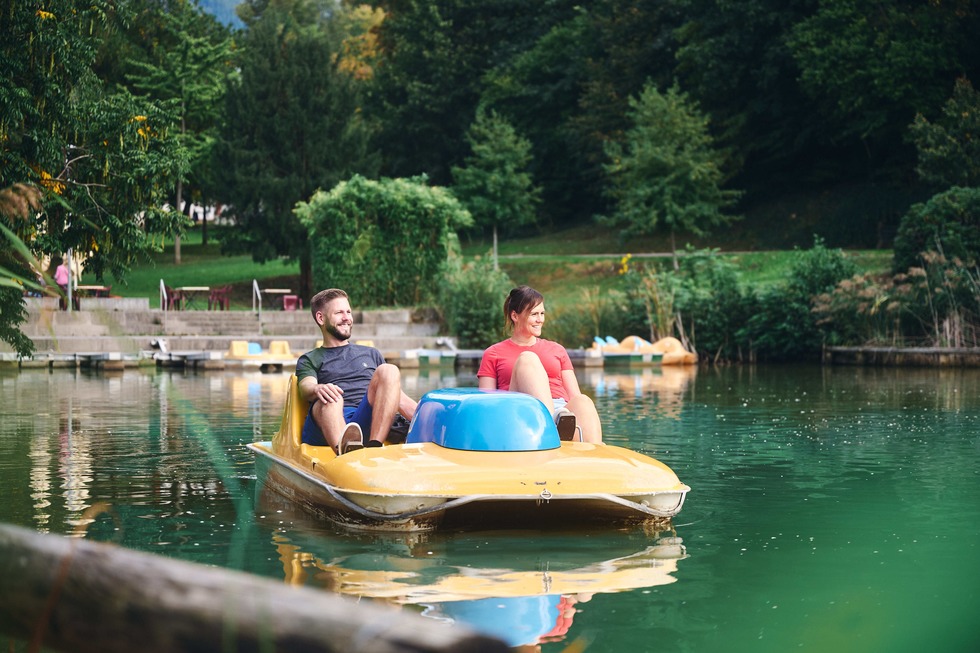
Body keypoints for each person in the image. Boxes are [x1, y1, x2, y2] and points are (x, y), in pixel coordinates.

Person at [296, 288, 417, 455]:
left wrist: (430, 419)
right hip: (326, 424)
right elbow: (305, 386)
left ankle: (374, 447)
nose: (347, 318)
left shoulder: (371, 353)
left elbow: (397, 397)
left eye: (348, 312)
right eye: (339, 312)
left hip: (365, 421)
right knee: (330, 398)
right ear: (321, 318)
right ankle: (344, 452)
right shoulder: (311, 358)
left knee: (389, 370)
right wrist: (318, 389)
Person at [477, 285, 603, 443]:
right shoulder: (493, 353)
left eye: (542, 313)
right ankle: (551, 426)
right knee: (528, 359)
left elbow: (574, 396)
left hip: (563, 415)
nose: (540, 320)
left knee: (583, 401)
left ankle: (595, 454)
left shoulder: (557, 349)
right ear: (515, 316)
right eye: (534, 314)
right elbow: (486, 405)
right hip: (520, 411)